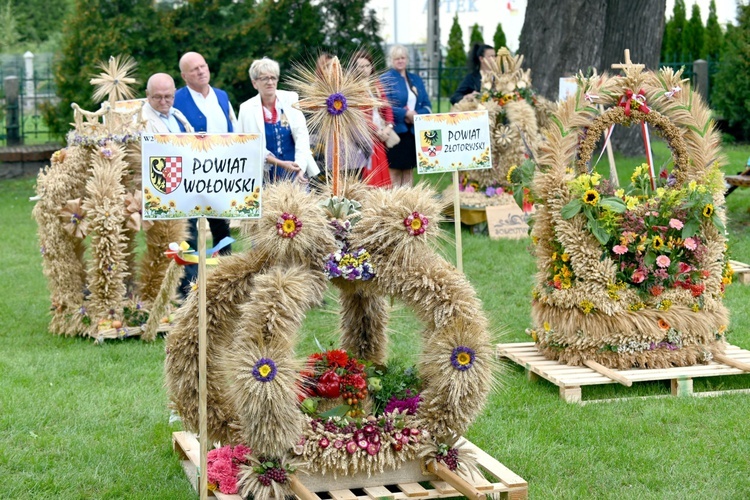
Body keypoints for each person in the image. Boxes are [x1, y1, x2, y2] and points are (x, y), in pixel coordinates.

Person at [173, 52, 236, 298]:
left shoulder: (222, 97)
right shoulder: (177, 100)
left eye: (203, 66)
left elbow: (234, 132)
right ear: (184, 76)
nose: (201, 71)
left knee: (222, 231)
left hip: (219, 178)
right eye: (194, 69)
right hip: (189, 180)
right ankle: (189, 289)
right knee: (189, 233)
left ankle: (229, 281)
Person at [236, 57, 319, 186]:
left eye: (273, 78)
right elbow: (249, 145)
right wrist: (279, 163)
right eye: (264, 78)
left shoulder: (290, 99)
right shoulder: (246, 109)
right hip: (264, 175)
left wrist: (301, 168)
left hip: (295, 171)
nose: (270, 82)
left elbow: (301, 135)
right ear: (254, 83)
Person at [380, 44, 432, 187]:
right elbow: (385, 106)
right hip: (395, 132)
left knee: (408, 171)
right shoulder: (385, 79)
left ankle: (408, 205)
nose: (400, 61)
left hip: (412, 132)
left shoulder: (416, 79)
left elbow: (427, 104)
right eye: (397, 58)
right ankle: (395, 205)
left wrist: (416, 115)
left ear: (407, 59)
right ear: (391, 60)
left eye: (403, 58)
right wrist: (405, 113)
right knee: (395, 171)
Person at [353, 50, 394, 188]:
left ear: (371, 67)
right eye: (360, 66)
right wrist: (376, 130)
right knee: (369, 173)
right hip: (365, 137)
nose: (364, 69)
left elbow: (387, 107)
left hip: (380, 135)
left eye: (367, 65)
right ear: (355, 68)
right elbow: (360, 115)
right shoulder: (354, 88)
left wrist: (389, 127)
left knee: (381, 173)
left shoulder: (376, 84)